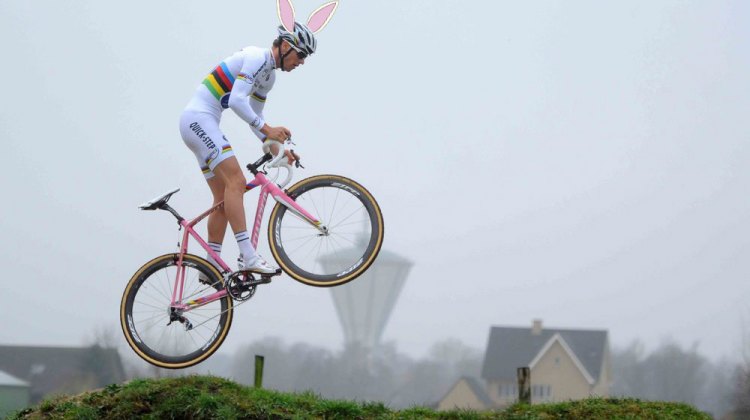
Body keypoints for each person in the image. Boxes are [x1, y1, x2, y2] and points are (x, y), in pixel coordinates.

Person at [179, 22, 317, 274]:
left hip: (197, 124)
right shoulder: (256, 57)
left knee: (223, 198)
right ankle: (248, 255)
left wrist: (279, 152)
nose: (302, 62)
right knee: (237, 182)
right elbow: (236, 101)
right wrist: (269, 130)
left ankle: (211, 265)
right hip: (198, 120)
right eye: (301, 54)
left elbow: (255, 118)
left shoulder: (269, 77)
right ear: (286, 46)